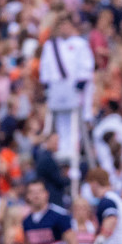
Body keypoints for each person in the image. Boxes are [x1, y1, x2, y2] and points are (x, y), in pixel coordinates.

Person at [38, 16, 95, 170]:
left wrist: (80, 86)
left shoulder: (80, 44)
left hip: (74, 88)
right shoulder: (51, 45)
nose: (63, 28)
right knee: (60, 123)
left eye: (66, 25)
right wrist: (47, 87)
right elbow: (45, 67)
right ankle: (61, 150)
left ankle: (72, 150)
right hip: (57, 88)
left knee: (75, 122)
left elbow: (86, 66)